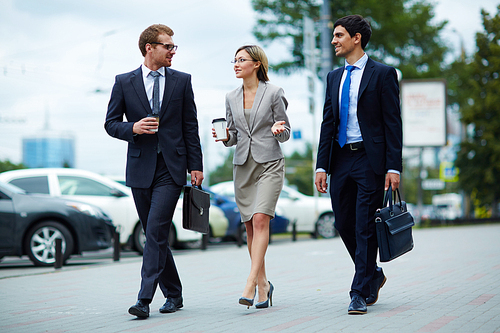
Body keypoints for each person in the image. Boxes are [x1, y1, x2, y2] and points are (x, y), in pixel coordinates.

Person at [105, 24, 203, 318]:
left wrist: (195, 165)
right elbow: (110, 123)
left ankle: (144, 299)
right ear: (150, 48)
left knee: (156, 231)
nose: (173, 51)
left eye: (174, 47)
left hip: (172, 169)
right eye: (168, 46)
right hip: (139, 167)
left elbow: (190, 126)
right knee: (154, 233)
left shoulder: (182, 81)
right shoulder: (124, 82)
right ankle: (174, 293)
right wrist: (132, 128)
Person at [315, 15, 402, 315]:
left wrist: (394, 167)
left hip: (370, 159)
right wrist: (321, 166)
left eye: (339, 35)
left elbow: (393, 124)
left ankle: (358, 292)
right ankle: (373, 275)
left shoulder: (383, 74)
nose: (333, 41)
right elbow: (328, 123)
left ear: (356, 39)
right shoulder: (333, 78)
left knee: (365, 225)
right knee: (343, 223)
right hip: (340, 159)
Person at [213, 45, 290, 309]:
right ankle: (264, 284)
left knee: (260, 220)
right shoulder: (231, 96)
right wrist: (225, 138)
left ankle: (250, 283)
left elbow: (285, 130)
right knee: (249, 227)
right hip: (243, 165)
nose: (236, 64)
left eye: (241, 60)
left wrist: (279, 130)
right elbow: (233, 134)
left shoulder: (274, 92)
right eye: (234, 60)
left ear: (256, 64)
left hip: (269, 162)